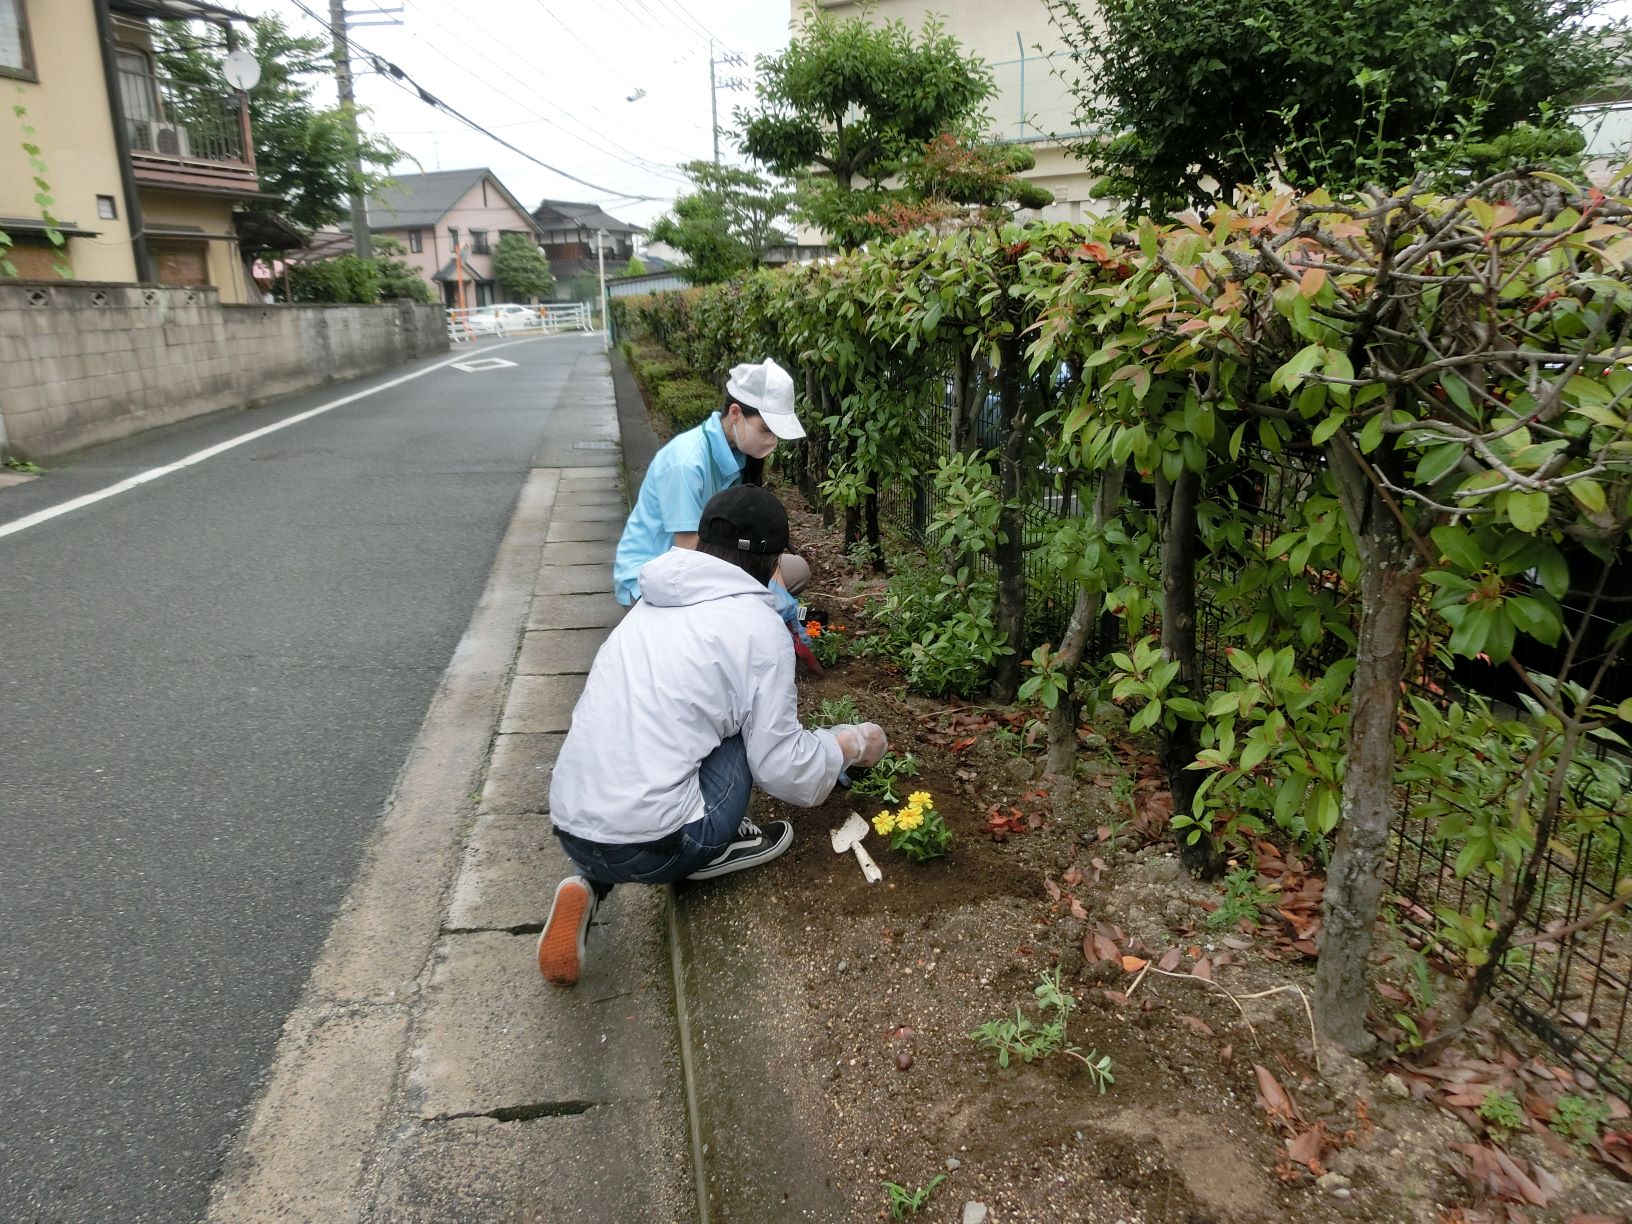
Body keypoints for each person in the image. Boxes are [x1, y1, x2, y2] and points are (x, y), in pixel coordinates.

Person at [540, 486, 887, 986]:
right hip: (663, 844)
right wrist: (851, 743)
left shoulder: (650, 602)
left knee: (675, 729)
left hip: (574, 825)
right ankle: (712, 849)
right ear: (775, 563)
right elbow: (782, 768)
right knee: (746, 735)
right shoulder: (756, 627)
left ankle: (587, 884)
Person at [613, 358, 812, 627]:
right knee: (749, 608)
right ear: (735, 413)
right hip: (656, 575)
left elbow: (745, 538)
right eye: (766, 429)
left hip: (712, 558)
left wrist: (772, 577)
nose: (772, 441)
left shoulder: (739, 456)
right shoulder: (685, 463)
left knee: (794, 571)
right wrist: (756, 589)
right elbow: (688, 555)